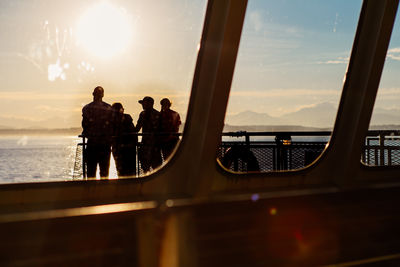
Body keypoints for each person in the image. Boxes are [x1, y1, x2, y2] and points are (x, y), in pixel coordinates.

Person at [82, 86, 114, 179]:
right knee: (104, 172)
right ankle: (103, 191)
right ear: (103, 95)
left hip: (92, 143)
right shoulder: (108, 108)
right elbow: (112, 125)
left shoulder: (87, 108)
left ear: (93, 94)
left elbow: (85, 124)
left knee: (91, 172)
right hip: (105, 144)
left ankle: (91, 191)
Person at [135, 96, 162, 173]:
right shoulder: (156, 114)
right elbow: (137, 128)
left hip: (151, 146)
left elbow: (137, 128)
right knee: (154, 169)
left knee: (149, 169)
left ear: (150, 104)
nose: (143, 105)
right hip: (152, 146)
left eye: (144, 103)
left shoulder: (145, 114)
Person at [111, 103, 138, 177]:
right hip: (127, 148)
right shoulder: (127, 118)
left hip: (122, 148)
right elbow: (134, 133)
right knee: (129, 171)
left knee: (122, 170)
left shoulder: (114, 121)